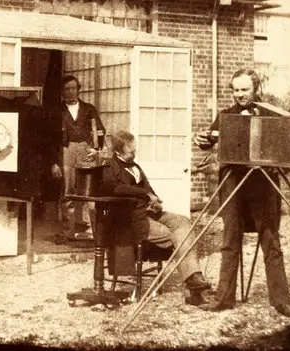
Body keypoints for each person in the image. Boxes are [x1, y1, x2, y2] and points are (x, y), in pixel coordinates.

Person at [193, 68, 290, 317]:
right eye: (236, 90)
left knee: (271, 241)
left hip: (263, 185)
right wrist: (203, 140)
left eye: (245, 89)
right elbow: (211, 139)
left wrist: (278, 163)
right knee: (230, 240)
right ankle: (224, 299)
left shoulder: (272, 114)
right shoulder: (225, 115)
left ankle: (281, 301)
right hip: (233, 183)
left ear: (256, 88)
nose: (240, 94)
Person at [102, 130, 212, 303]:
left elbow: (149, 190)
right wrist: (145, 194)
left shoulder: (135, 167)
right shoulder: (109, 168)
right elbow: (116, 189)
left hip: (149, 213)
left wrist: (155, 200)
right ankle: (192, 288)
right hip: (131, 220)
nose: (134, 153)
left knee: (183, 222)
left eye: (135, 149)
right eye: (130, 151)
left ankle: (193, 280)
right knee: (177, 237)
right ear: (118, 151)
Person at [50, 75, 105, 241]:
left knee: (90, 190)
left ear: (78, 89)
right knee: (68, 190)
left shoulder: (89, 109)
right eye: (67, 89)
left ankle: (94, 232)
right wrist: (54, 162)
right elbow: (51, 139)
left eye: (73, 88)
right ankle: (68, 231)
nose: (70, 92)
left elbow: (100, 130)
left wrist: (96, 150)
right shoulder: (56, 110)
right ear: (62, 91)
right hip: (66, 150)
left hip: (86, 149)